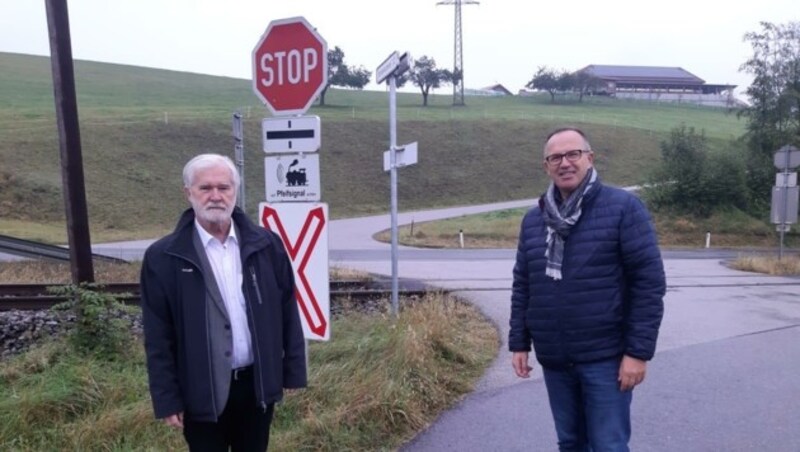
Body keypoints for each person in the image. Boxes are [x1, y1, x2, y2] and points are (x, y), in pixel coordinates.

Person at [509, 127, 665, 451]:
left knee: (608, 445)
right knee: (570, 443)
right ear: (546, 166)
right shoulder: (534, 220)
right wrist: (519, 343)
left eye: (573, 154)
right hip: (556, 358)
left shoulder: (623, 208)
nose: (564, 163)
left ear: (589, 158)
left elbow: (648, 284)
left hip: (605, 359)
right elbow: (524, 284)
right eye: (555, 157)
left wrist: (637, 353)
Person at [141, 153, 306, 451]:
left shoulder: (266, 245)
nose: (216, 196)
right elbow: (158, 336)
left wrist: (293, 370)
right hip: (200, 391)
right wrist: (167, 398)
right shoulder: (163, 257)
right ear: (188, 192)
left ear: (235, 191)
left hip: (256, 386)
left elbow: (287, 310)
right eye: (205, 188)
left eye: (224, 187)